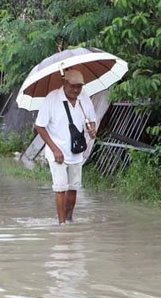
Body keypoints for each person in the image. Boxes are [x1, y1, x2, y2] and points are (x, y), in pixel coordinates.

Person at [34, 69, 98, 224]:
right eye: (73, 86)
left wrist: (92, 130)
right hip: (57, 152)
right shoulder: (52, 99)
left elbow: (92, 121)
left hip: (76, 152)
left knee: (74, 188)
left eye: (79, 87)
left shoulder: (84, 98)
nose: (76, 90)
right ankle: (61, 224)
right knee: (60, 188)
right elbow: (39, 126)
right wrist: (55, 149)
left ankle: (69, 220)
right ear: (64, 83)